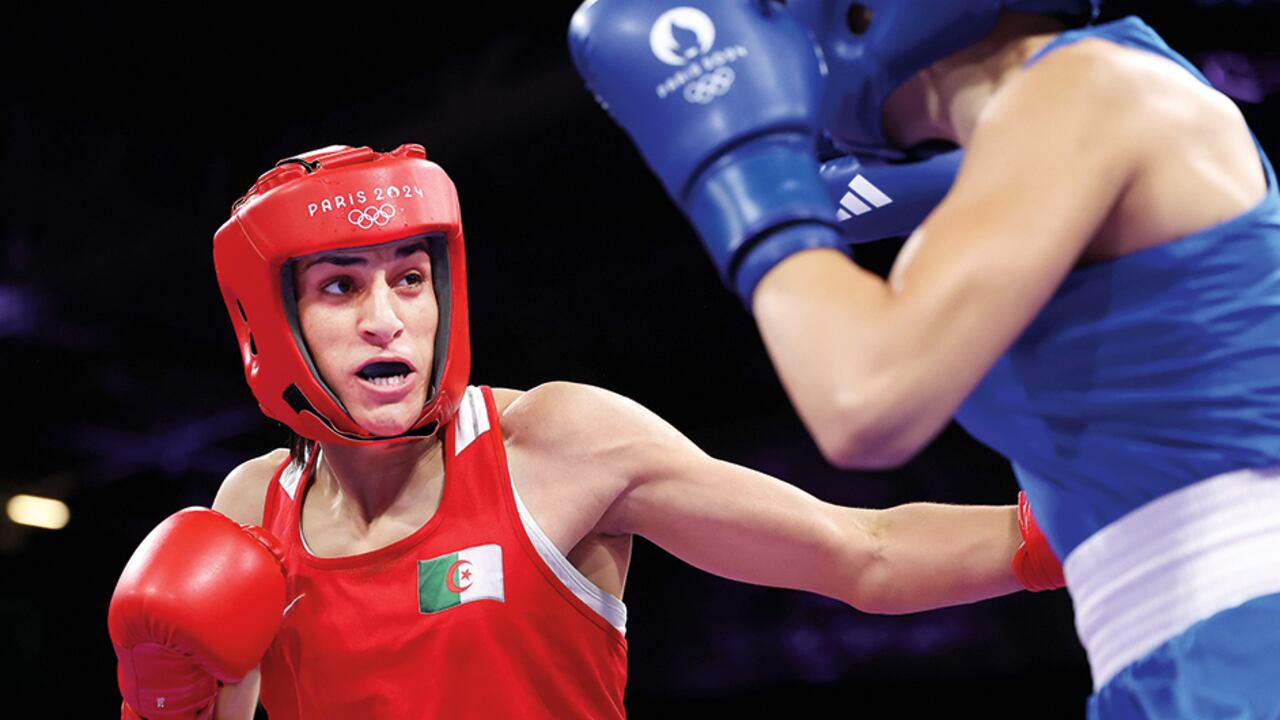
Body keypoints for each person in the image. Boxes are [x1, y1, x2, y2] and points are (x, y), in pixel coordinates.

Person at [107, 144, 1063, 719]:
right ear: (271, 322)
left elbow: (863, 553)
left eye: (410, 277)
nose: (387, 318)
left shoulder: (555, 444)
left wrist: (1068, 529)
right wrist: (162, 698)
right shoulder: (249, 510)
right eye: (340, 286)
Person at [570, 0, 1280, 717]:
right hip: (1166, 654)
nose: (771, 28)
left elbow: (862, 399)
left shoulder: (1090, 87)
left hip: (1244, 633)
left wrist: (743, 168)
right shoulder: (1072, 110)